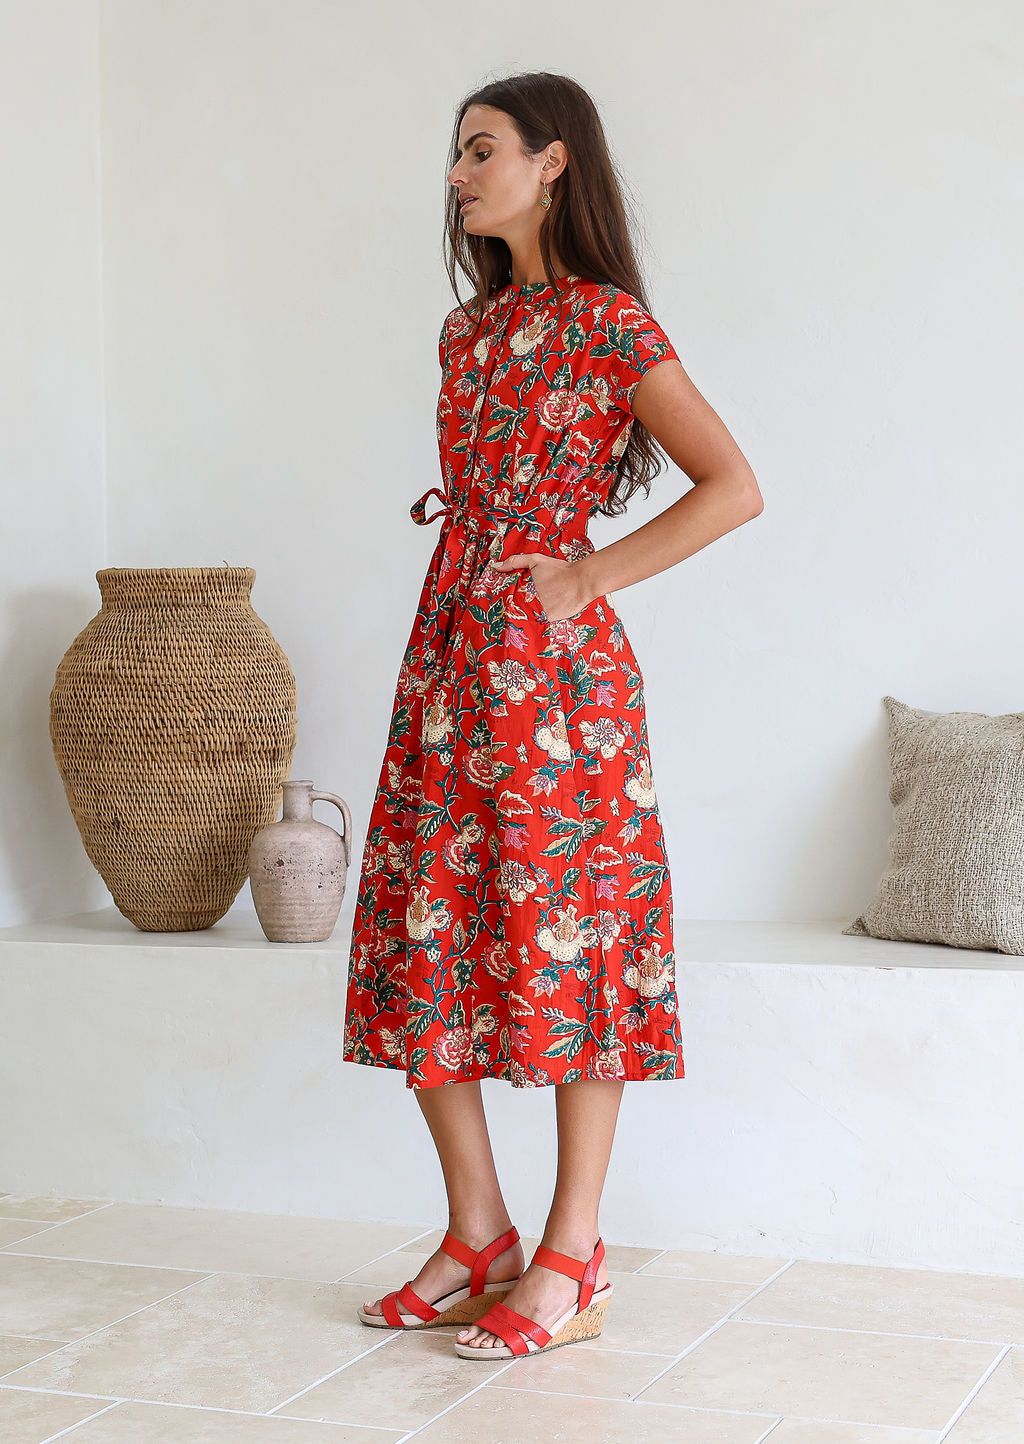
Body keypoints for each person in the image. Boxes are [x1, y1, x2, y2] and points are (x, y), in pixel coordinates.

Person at [343, 71, 763, 1359]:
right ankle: (481, 1232)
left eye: (482, 150)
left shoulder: (607, 325)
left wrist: (587, 574)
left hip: (558, 687)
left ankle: (573, 1255)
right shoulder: (465, 338)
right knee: (425, 928)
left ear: (554, 162)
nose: (460, 174)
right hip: (449, 657)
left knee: (573, 941)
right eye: (455, 155)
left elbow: (732, 485)